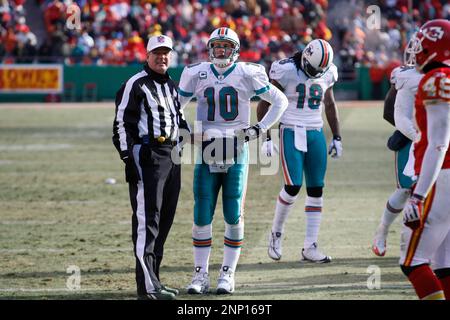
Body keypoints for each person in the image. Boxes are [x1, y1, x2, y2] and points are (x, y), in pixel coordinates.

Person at [178, 27, 288, 295]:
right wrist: (185, 134)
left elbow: (280, 101)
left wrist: (258, 129)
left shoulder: (248, 73)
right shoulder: (195, 72)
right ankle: (200, 274)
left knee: (233, 211)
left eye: (226, 46)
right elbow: (174, 107)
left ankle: (227, 274)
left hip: (236, 148)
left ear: (236, 50)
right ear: (209, 48)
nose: (221, 51)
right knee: (202, 212)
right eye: (217, 46)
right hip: (206, 149)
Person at [112, 35, 190, 300]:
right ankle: (147, 287)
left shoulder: (172, 86)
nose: (162, 57)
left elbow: (179, 119)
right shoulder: (135, 84)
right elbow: (122, 125)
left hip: (171, 155)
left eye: (166, 52)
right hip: (148, 155)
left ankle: (153, 280)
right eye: (157, 52)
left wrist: (188, 138)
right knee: (148, 221)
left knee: (164, 220)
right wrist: (127, 159)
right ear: (147, 56)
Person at [258, 39, 341, 263]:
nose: (315, 73)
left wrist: (337, 136)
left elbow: (330, 104)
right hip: (290, 129)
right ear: (304, 58)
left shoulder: (328, 71)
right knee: (292, 186)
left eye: (319, 70)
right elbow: (265, 103)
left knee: (316, 190)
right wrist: (265, 136)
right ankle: (276, 233)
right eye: (312, 68)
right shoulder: (285, 69)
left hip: (315, 131)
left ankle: (310, 246)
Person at [399, 19, 450, 300]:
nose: (416, 51)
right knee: (445, 265)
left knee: (412, 261)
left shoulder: (437, 78)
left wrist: (418, 196)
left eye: (422, 45)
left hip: (442, 176)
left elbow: (439, 143)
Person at [372, 34, 423, 257]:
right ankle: (382, 231)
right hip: (413, 139)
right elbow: (389, 111)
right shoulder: (406, 76)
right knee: (405, 190)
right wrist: (416, 134)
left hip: (440, 140)